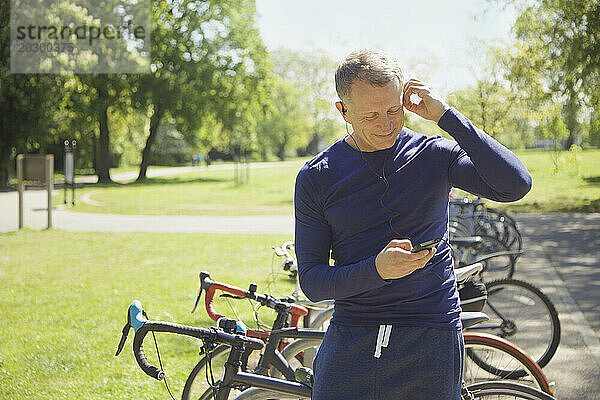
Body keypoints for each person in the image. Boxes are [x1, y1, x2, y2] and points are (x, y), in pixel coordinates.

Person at [294, 49, 532, 400]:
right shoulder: (317, 176)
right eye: (371, 115)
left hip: (431, 335)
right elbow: (312, 282)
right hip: (352, 338)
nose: (387, 124)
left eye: (394, 110)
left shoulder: (433, 154)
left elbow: (515, 184)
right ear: (342, 111)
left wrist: (446, 116)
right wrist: (377, 270)